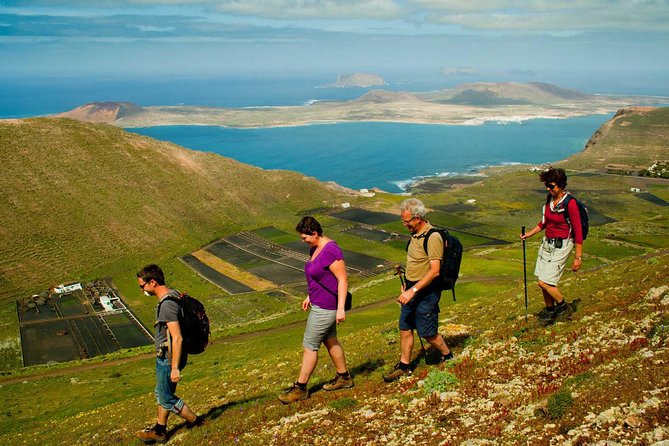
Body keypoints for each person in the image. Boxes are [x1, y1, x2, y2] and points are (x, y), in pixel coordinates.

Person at [278, 216, 353, 403]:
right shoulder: (315, 248)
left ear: (315, 233)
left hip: (326, 307)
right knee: (330, 340)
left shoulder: (331, 250)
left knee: (310, 346)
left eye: (305, 237)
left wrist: (341, 309)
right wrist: (309, 295)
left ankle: (300, 388)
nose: (302, 241)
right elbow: (320, 277)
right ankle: (344, 378)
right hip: (319, 301)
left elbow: (342, 280)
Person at [383, 198, 453, 382]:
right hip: (412, 288)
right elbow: (416, 263)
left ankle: (447, 355)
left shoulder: (433, 237)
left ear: (418, 218)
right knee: (405, 328)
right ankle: (404, 365)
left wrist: (411, 291)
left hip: (426, 292)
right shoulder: (415, 235)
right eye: (403, 221)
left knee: (427, 331)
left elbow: (435, 271)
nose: (405, 224)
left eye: (407, 221)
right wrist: (406, 284)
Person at [136, 264, 202, 443]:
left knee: (166, 397)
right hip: (169, 356)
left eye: (142, 286)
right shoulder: (174, 293)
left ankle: (196, 421)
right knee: (162, 392)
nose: (142, 290)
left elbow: (177, 338)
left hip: (168, 358)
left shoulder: (167, 306)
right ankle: (159, 430)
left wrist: (174, 368)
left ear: (153, 282)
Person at [520, 167, 583, 324]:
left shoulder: (570, 203)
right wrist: (529, 233)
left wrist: (578, 257)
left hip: (562, 245)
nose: (549, 188)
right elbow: (544, 223)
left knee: (545, 282)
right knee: (542, 280)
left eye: (552, 186)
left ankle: (563, 307)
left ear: (561, 185)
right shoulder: (549, 200)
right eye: (547, 185)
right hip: (547, 244)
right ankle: (550, 311)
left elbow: (578, 231)